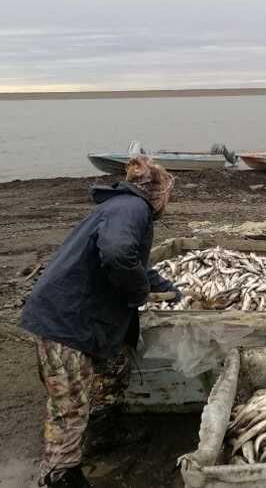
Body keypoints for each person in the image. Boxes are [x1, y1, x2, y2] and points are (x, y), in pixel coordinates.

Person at [21, 156, 181, 488]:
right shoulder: (132, 210)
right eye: (167, 192)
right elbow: (119, 254)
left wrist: (164, 287)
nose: (168, 200)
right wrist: (138, 292)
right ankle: (60, 475)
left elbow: (131, 259)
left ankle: (82, 447)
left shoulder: (123, 207)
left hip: (71, 318)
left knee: (82, 391)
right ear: (156, 191)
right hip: (65, 321)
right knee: (68, 404)